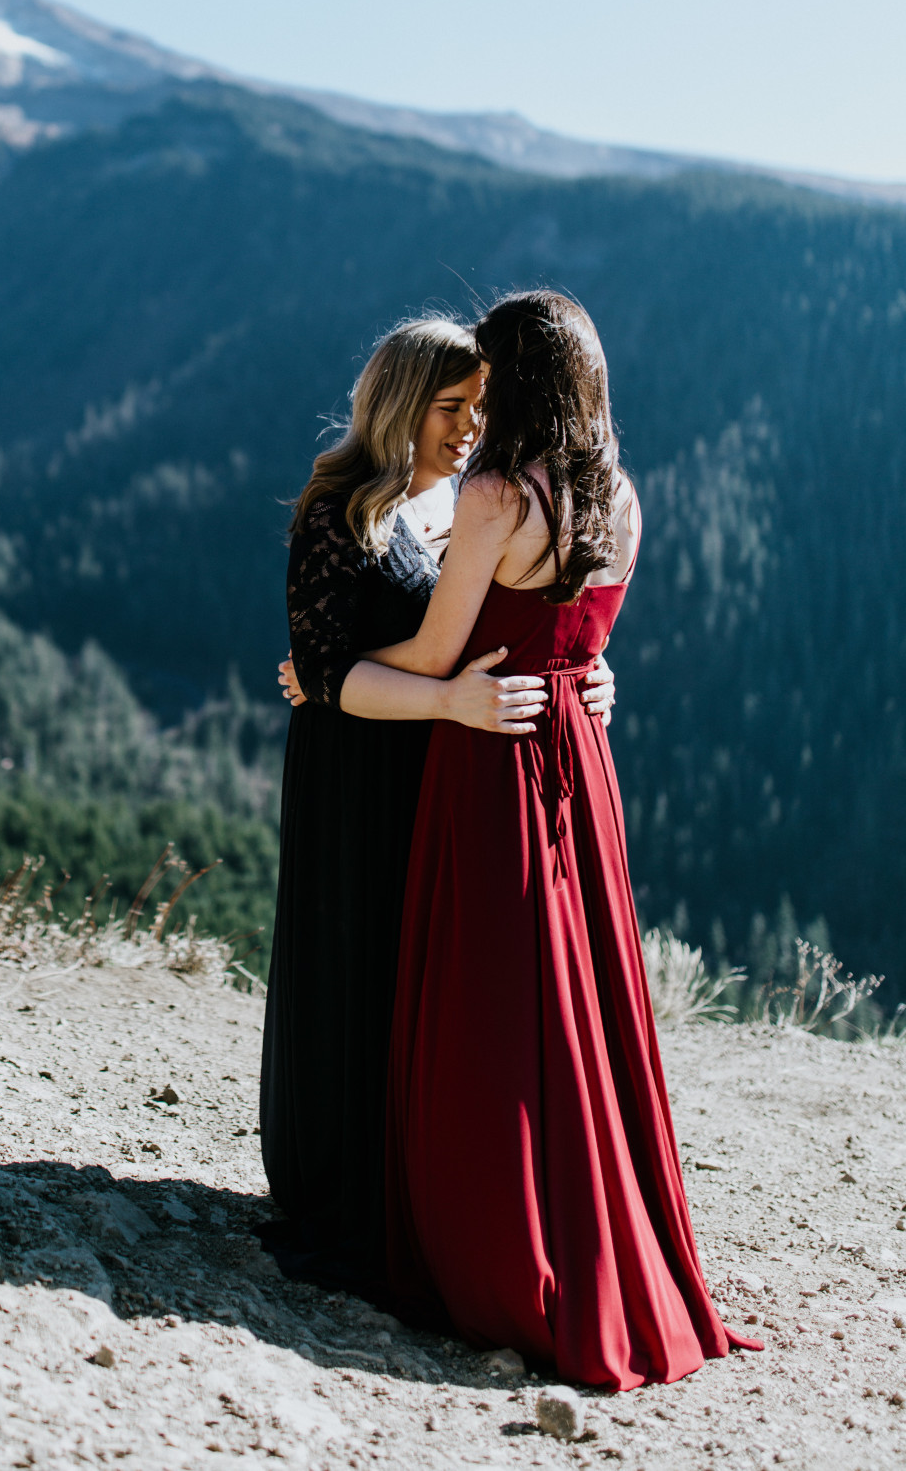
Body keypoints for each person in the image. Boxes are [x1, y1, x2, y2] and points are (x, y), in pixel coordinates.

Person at [376, 291, 759, 1388]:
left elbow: (441, 655)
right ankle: (601, 1225)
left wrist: (336, 665)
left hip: (493, 751)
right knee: (576, 1002)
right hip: (577, 769)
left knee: (490, 1005)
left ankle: (493, 1247)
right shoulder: (621, 498)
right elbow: (583, 649)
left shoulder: (496, 495)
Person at [259, 314, 614, 1297]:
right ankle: (330, 1178)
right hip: (357, 767)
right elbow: (329, 676)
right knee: (351, 958)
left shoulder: (469, 505)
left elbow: (513, 616)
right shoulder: (337, 509)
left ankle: (413, 1181)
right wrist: (401, 690)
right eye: (448, 408)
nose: (468, 426)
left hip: (439, 768)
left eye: (479, 407)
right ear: (398, 407)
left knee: (415, 979)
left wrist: (588, 673)